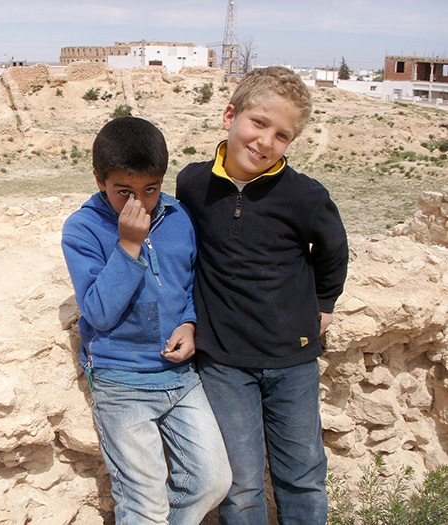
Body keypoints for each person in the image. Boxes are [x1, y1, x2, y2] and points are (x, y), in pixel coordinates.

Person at [176, 66, 349, 524]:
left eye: (282, 135)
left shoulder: (305, 196)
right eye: (258, 122)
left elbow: (333, 251)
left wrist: (325, 305)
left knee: (303, 475)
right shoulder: (192, 184)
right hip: (224, 361)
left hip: (292, 361)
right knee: (242, 484)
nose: (265, 141)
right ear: (230, 114)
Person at [61, 116, 231, 524]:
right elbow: (99, 312)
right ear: (100, 179)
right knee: (144, 502)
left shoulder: (177, 218)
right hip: (122, 380)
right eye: (124, 192)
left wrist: (189, 324)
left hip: (179, 377)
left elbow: (187, 284)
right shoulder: (82, 229)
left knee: (212, 480)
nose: (138, 202)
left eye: (150, 190)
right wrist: (128, 244)